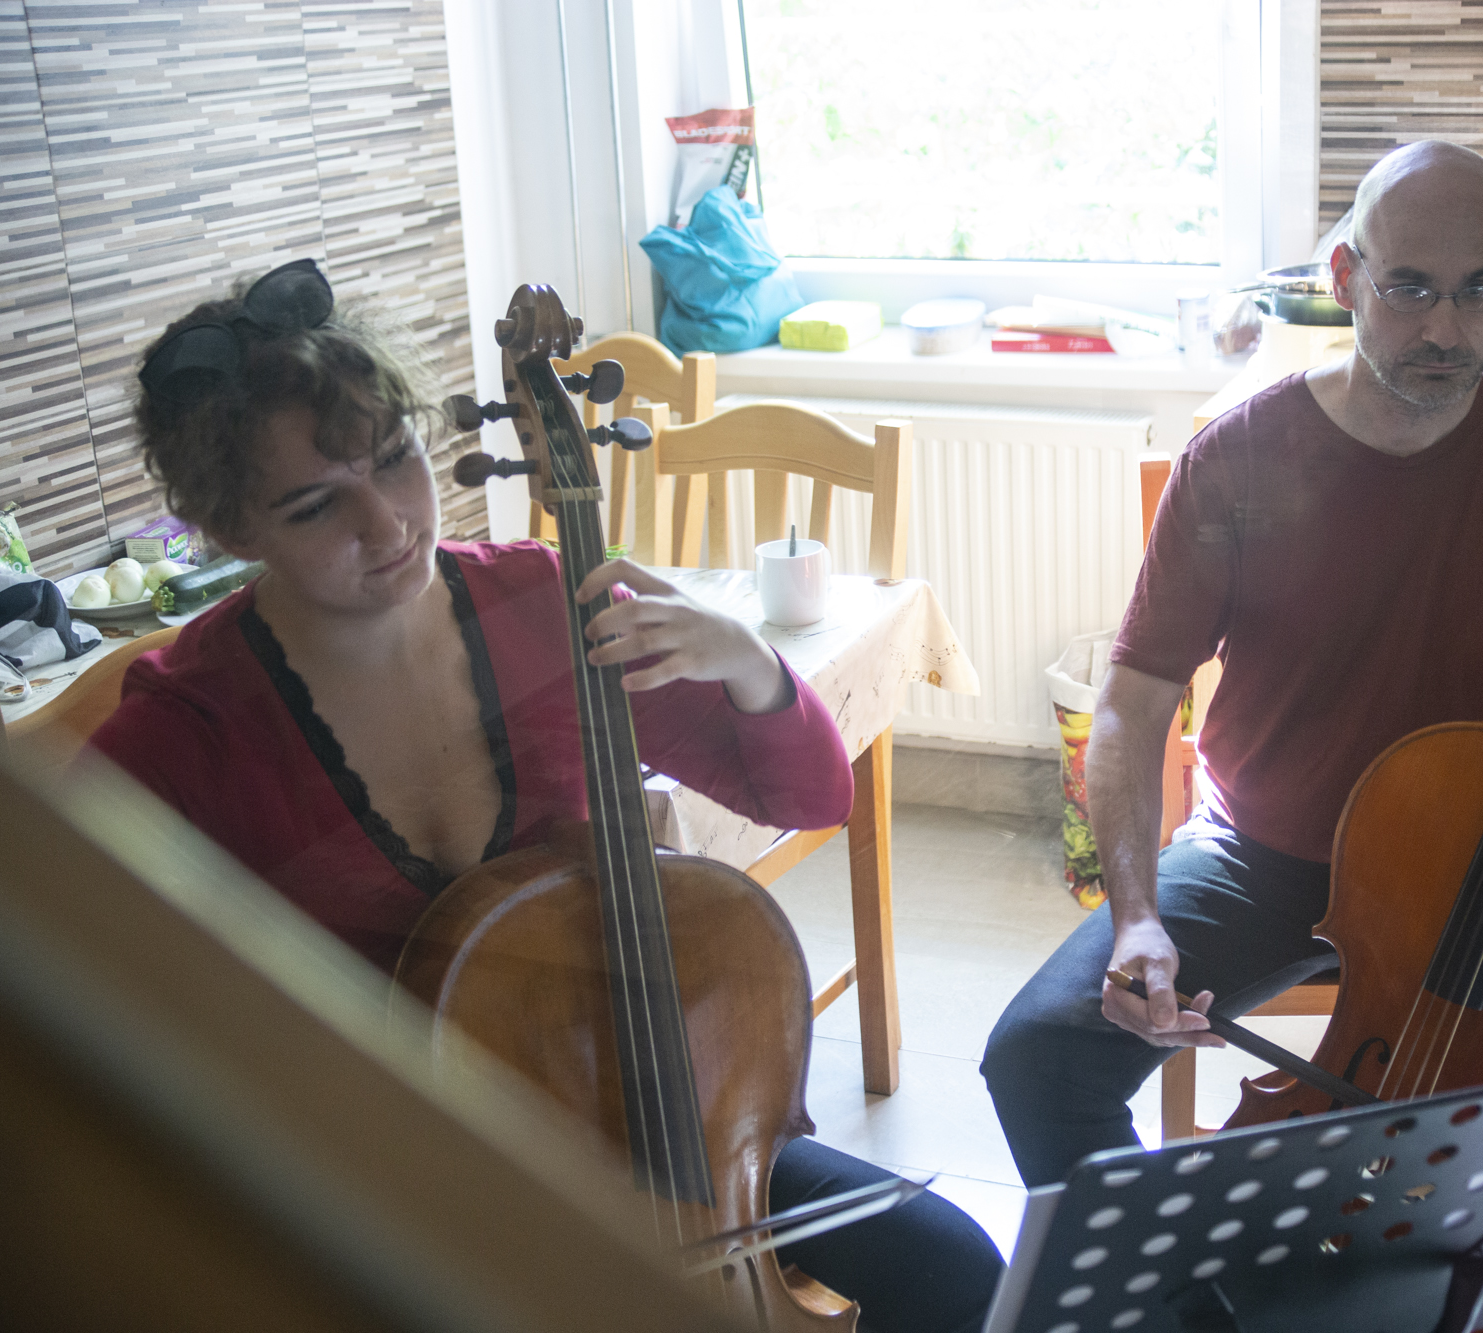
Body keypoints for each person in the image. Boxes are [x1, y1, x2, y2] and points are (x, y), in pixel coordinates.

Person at [88, 260, 1002, 1333]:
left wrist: (747, 662)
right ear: (232, 531)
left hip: (646, 1111)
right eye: (315, 505)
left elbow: (807, 794)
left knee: (949, 1266)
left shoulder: (540, 599)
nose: (388, 523)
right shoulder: (190, 727)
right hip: (403, 1181)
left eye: (397, 457)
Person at [982, 140, 1483, 1192]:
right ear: (1344, 278)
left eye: (1476, 291)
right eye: (1409, 289)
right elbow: (1133, 699)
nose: (1445, 329)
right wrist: (1136, 912)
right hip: (1265, 858)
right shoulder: (1237, 456)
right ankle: (1171, 1279)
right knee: (1037, 1057)